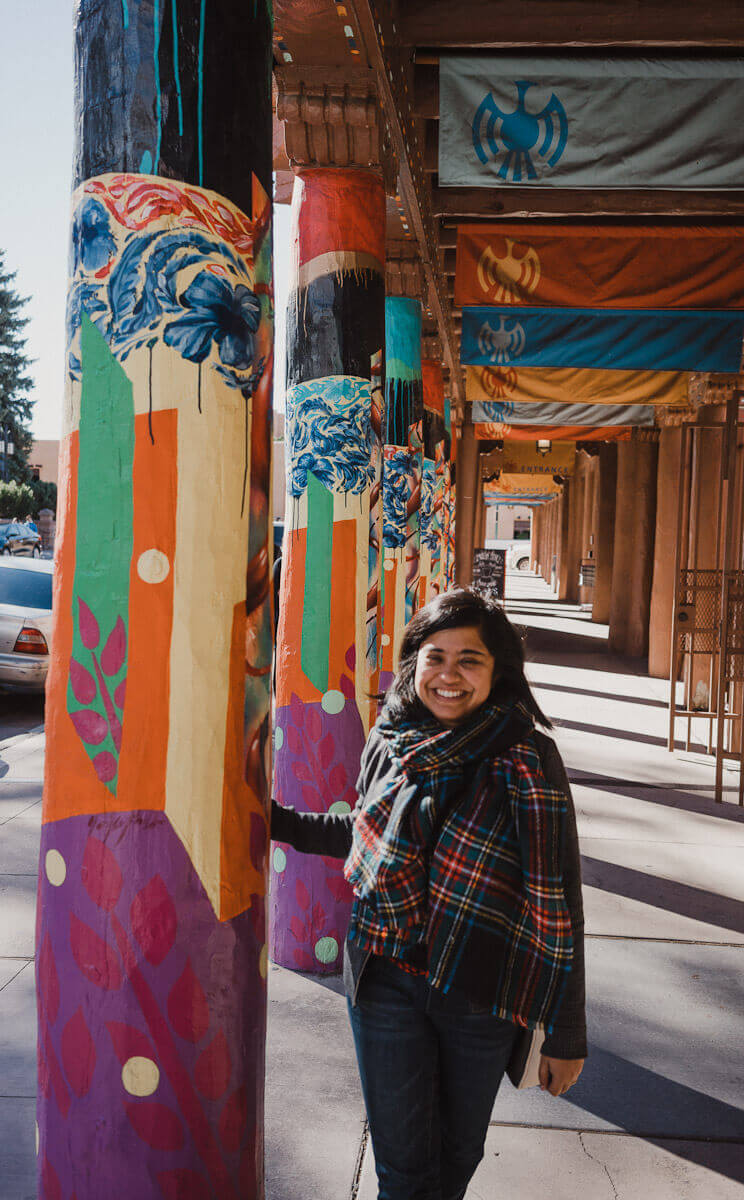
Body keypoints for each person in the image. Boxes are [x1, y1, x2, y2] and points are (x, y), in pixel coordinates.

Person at [271, 588, 586, 1200]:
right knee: (405, 1174)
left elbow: (559, 902)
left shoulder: (529, 759)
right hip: (387, 980)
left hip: (482, 994)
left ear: (499, 672)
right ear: (415, 663)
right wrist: (275, 819)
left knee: (456, 1160)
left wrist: (568, 1034)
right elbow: (364, 832)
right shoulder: (391, 740)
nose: (448, 675)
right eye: (435, 657)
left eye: (470, 660)